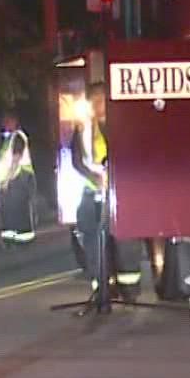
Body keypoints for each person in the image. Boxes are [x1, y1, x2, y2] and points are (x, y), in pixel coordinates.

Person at [68, 82, 111, 309]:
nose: (97, 104)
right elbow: (76, 158)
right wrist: (91, 176)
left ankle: (119, 285)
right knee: (88, 234)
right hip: (90, 190)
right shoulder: (83, 126)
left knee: (114, 238)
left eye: (101, 99)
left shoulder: (115, 124)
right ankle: (98, 283)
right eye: (93, 100)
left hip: (113, 191)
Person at [0, 109, 35, 245]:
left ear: (14, 122)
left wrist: (7, 179)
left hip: (20, 177)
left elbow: (16, 159)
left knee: (19, 208)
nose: (4, 124)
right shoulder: (9, 139)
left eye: (7, 121)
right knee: (10, 209)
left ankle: (23, 238)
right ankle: (10, 237)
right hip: (12, 178)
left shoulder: (18, 137)